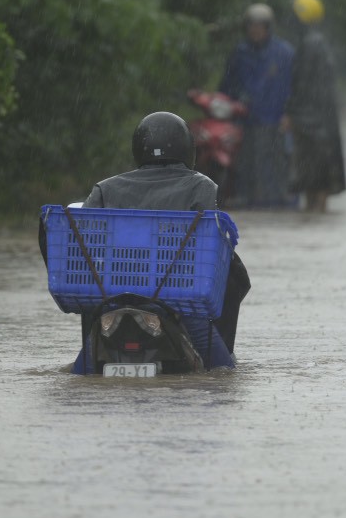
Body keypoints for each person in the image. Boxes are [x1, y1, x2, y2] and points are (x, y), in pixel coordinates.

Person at [66, 111, 250, 372]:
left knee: (79, 372)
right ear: (188, 148)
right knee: (224, 374)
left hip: (115, 294)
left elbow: (83, 240)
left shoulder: (105, 188)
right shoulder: (203, 187)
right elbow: (211, 244)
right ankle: (224, 363)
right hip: (178, 295)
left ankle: (84, 370)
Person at [219, 2, 295, 208]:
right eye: (251, 25)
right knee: (245, 164)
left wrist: (289, 113)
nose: (255, 30)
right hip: (244, 119)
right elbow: (227, 85)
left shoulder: (284, 53)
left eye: (260, 25)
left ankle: (276, 201)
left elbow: (293, 87)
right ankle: (248, 201)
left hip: (274, 118)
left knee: (274, 164)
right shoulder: (240, 52)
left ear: (268, 27)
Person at [282, 0, 346, 213]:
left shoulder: (310, 45)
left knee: (314, 174)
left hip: (312, 120)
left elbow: (302, 84)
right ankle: (315, 217)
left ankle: (315, 216)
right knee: (317, 173)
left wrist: (291, 113)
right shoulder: (318, 42)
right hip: (321, 118)